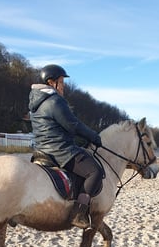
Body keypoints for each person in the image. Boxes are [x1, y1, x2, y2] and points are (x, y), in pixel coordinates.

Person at [28, 64, 103, 229]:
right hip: (60, 151)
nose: (63, 86)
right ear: (51, 82)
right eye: (61, 82)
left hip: (41, 150)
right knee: (94, 171)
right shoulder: (55, 101)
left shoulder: (36, 103)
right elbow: (73, 126)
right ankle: (79, 213)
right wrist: (94, 137)